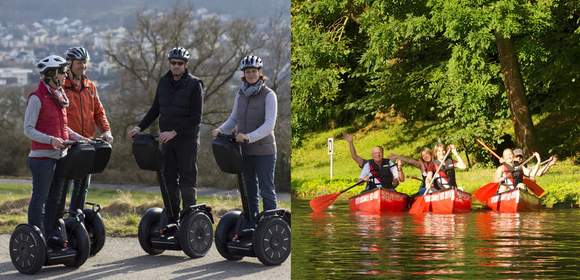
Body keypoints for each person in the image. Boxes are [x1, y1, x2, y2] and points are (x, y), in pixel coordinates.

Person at [128, 47, 204, 230]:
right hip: (166, 141)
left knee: (187, 178)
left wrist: (174, 132)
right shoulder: (163, 82)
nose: (176, 66)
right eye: (173, 63)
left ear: (185, 65)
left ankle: (189, 218)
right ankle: (172, 216)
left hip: (187, 141)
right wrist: (139, 127)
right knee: (168, 177)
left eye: (180, 63)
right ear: (169, 64)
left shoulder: (195, 84)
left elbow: (196, 118)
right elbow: (156, 109)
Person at [24, 55, 87, 246]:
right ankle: (36, 238)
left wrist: (79, 138)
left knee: (55, 199)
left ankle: (51, 234)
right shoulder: (37, 98)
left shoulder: (59, 96)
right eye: (62, 72)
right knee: (40, 199)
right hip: (42, 158)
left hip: (61, 156)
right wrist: (50, 140)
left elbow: (62, 128)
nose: (65, 75)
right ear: (51, 74)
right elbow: (28, 129)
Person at [212, 55, 278, 223]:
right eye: (248, 71)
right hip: (244, 151)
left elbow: (269, 125)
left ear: (260, 73)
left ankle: (271, 224)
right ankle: (252, 223)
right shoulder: (240, 94)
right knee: (249, 190)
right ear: (243, 74)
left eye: (254, 71)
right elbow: (234, 119)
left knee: (266, 190)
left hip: (264, 151)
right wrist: (221, 129)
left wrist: (248, 137)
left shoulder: (269, 95)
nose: (251, 74)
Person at [63, 46, 113, 213]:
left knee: (82, 187)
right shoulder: (62, 86)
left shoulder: (90, 86)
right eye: (79, 63)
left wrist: (106, 130)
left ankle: (76, 220)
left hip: (88, 144)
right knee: (63, 186)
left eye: (85, 62)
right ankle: (57, 222)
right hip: (68, 145)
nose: (83, 66)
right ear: (69, 64)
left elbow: (99, 111)